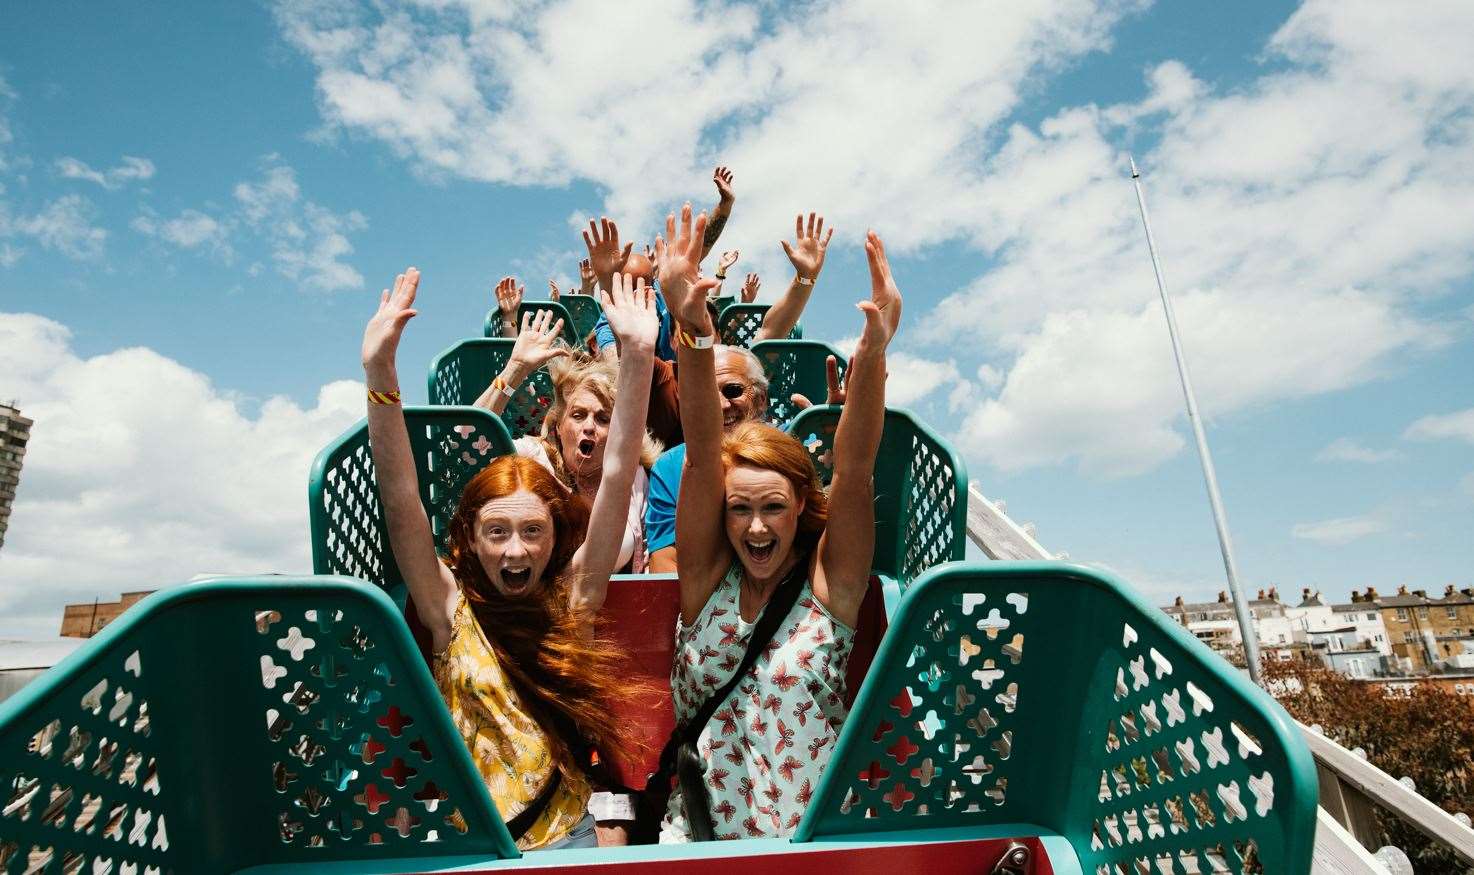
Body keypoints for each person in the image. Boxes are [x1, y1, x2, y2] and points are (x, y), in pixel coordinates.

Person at [361, 267, 659, 850]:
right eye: (497, 532)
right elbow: (401, 498)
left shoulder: (571, 599)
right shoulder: (447, 611)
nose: (516, 549)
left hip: (566, 836)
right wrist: (380, 373)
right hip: (473, 844)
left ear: (556, 541)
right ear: (470, 539)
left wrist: (640, 356)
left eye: (532, 531)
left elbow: (620, 471)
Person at [652, 204, 902, 842]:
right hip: (701, 844)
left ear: (799, 509)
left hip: (806, 848)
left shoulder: (830, 587)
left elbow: (856, 466)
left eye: (772, 509)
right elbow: (705, 446)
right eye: (740, 509)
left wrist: (872, 357)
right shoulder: (707, 583)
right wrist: (692, 329)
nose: (756, 529)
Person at [643, 210, 839, 574]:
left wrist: (836, 441)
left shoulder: (792, 450)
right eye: (706, 392)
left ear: (761, 400)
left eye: (733, 391)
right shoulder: (673, 467)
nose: (719, 404)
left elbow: (833, 537)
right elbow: (665, 569)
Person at [474, 308, 655, 572]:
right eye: (578, 415)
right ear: (558, 427)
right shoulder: (533, 458)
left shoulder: (635, 476)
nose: (590, 427)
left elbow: (647, 560)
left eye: (603, 419)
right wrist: (515, 369)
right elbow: (469, 444)